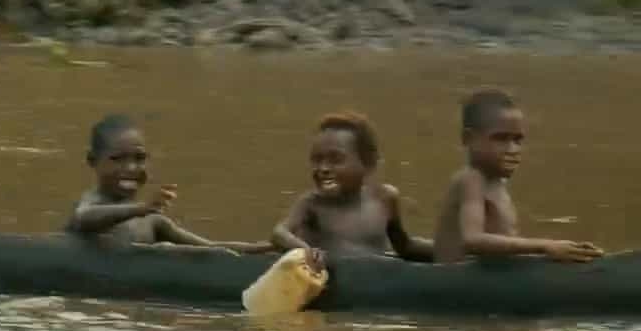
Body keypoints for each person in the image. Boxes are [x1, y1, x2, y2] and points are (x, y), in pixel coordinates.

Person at [432, 89, 602, 263]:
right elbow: (472, 240)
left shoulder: (496, 182)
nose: (513, 149)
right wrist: (545, 246)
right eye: (500, 138)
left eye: (517, 140)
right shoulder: (472, 179)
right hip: (462, 281)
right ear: (468, 138)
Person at [67, 114, 271, 252]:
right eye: (117, 159)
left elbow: (212, 249)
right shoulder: (92, 203)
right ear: (92, 161)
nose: (131, 168)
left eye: (139, 158)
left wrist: (264, 248)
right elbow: (83, 218)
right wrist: (142, 208)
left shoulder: (152, 221)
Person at [271, 111, 433, 262]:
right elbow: (279, 234)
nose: (323, 168)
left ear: (367, 164)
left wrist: (448, 248)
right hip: (331, 285)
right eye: (317, 160)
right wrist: (306, 252)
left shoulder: (384, 198)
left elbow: (404, 246)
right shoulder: (312, 204)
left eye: (335, 160)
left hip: (375, 281)